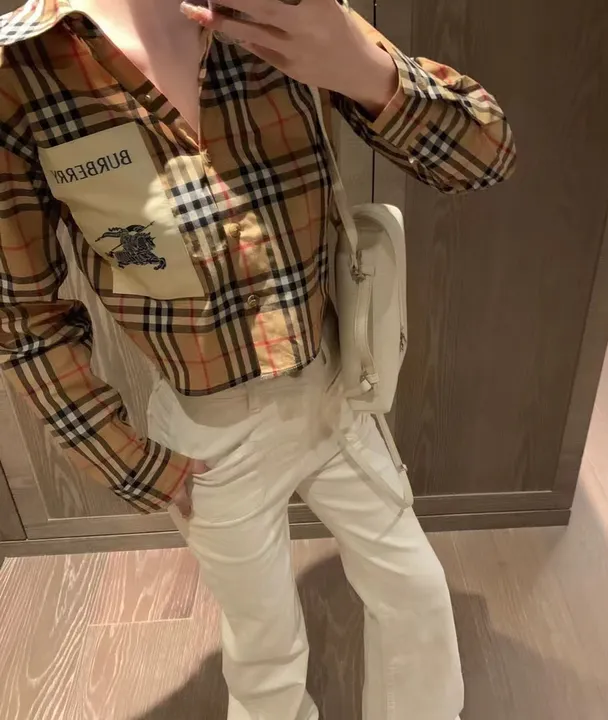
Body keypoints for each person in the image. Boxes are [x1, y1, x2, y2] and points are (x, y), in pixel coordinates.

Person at [0, 1, 516, 717]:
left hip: (336, 394)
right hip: (210, 438)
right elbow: (24, 317)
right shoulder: (20, 70)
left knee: (417, 592)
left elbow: (486, 154)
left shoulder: (281, 11)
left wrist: (364, 71)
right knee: (264, 644)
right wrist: (134, 464)